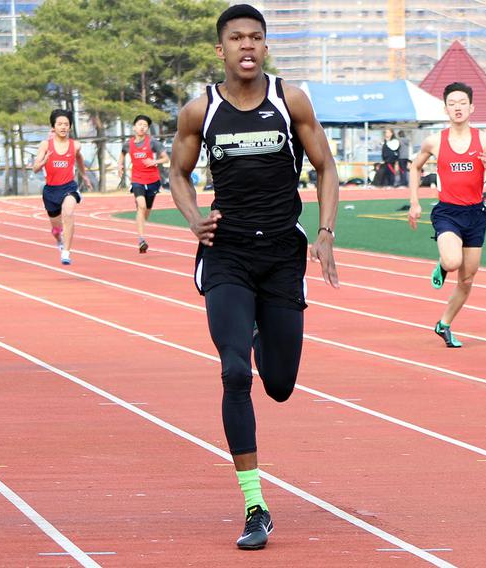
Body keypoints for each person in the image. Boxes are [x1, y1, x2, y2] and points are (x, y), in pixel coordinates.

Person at [168, 4, 339, 551]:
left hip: (283, 256)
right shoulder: (201, 111)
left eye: (255, 38)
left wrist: (326, 232)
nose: (247, 45)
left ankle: (265, 338)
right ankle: (255, 505)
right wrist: (193, 217)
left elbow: (325, 167)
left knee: (281, 385)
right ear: (220, 50)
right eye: (236, 38)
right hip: (228, 256)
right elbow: (177, 172)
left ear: (265, 47)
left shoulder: (291, 102)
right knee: (234, 372)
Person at [408, 82, 486, 348]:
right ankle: (443, 264)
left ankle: (444, 324)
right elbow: (415, 167)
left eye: (462, 103)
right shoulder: (435, 141)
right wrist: (414, 202)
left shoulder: (484, 140)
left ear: (471, 107)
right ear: (445, 108)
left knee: (467, 278)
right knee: (451, 261)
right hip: (447, 212)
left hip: (475, 213)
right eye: (452, 103)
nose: (457, 108)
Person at [32, 109, 93, 265]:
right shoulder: (45, 145)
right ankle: (59, 239)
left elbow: (79, 158)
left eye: (66, 124)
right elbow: (35, 168)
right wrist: (44, 161)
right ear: (53, 127)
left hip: (68, 187)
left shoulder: (75, 145)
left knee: (68, 213)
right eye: (59, 124)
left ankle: (66, 252)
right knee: (56, 228)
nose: (63, 127)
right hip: (51, 191)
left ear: (70, 127)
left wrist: (84, 175)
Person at [117, 114, 169, 253]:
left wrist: (154, 161)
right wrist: (120, 166)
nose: (142, 127)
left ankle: (141, 227)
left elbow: (166, 158)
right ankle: (141, 240)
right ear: (134, 127)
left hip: (152, 181)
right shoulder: (128, 144)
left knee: (146, 212)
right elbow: (122, 154)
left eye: (145, 125)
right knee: (141, 206)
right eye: (140, 124)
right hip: (137, 180)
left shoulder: (153, 143)